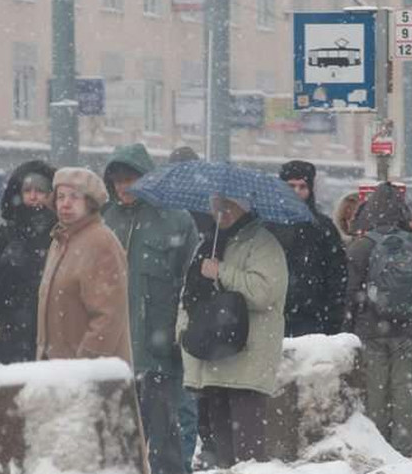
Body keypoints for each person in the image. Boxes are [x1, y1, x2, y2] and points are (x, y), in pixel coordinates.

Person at [103, 144, 200, 474]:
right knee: (117, 445)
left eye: (130, 179)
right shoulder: (104, 220)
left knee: (165, 443)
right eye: (117, 180)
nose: (123, 187)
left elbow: (191, 286)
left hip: (159, 353)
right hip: (113, 354)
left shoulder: (175, 220)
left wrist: (179, 336)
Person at [180, 196, 288, 468]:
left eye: (229, 206)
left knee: (248, 454)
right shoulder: (210, 242)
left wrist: (222, 271)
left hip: (247, 357)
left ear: (246, 206)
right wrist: (182, 332)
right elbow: (191, 296)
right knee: (223, 454)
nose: (222, 212)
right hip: (214, 356)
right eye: (217, 206)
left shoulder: (262, 243)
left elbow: (264, 292)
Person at [346, 185, 412, 458]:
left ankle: (379, 445)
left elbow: (350, 289)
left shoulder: (362, 246)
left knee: (376, 387)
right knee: (403, 387)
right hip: (409, 327)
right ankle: (405, 445)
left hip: (372, 327)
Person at [37, 167, 132, 364]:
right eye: (61, 196)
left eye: (74, 197)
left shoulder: (101, 242)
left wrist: (84, 363)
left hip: (88, 377)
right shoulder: (59, 240)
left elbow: (108, 317)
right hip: (58, 372)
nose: (65, 203)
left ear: (89, 202)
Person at [0, 160, 56, 364]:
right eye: (28, 190)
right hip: (12, 321)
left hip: (50, 320)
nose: (34, 196)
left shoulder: (58, 231)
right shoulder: (9, 231)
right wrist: (4, 261)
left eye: (40, 191)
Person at [269, 160, 349, 337]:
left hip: (312, 316)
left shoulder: (322, 227)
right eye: (291, 186)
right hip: (274, 312)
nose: (297, 192)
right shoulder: (268, 225)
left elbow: (337, 273)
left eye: (302, 186)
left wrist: (332, 316)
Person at [166, 145, 208, 471]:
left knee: (182, 397)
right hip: (194, 311)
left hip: (178, 311)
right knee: (190, 395)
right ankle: (185, 458)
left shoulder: (164, 210)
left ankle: (180, 459)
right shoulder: (208, 211)